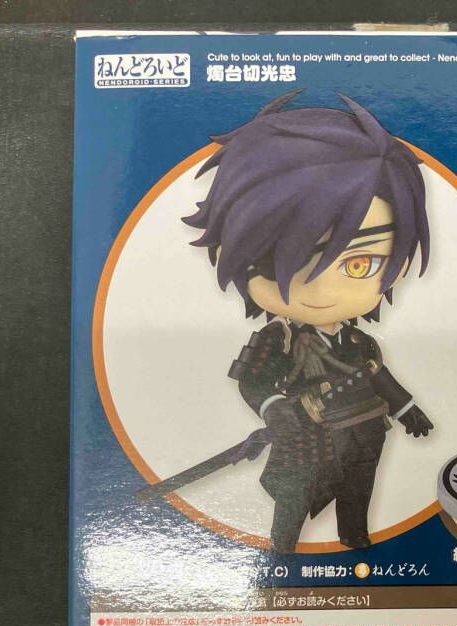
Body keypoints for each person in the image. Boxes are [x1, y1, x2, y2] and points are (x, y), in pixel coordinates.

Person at [184, 91, 434, 552]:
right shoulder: (277, 337)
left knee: (358, 495)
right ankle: (281, 558)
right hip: (308, 438)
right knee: (294, 502)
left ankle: (356, 543)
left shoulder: (359, 341)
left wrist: (405, 409)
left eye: (358, 263)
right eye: (284, 261)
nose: (319, 291)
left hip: (366, 430)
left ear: (395, 265)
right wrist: (276, 408)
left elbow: (378, 376)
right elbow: (253, 382)